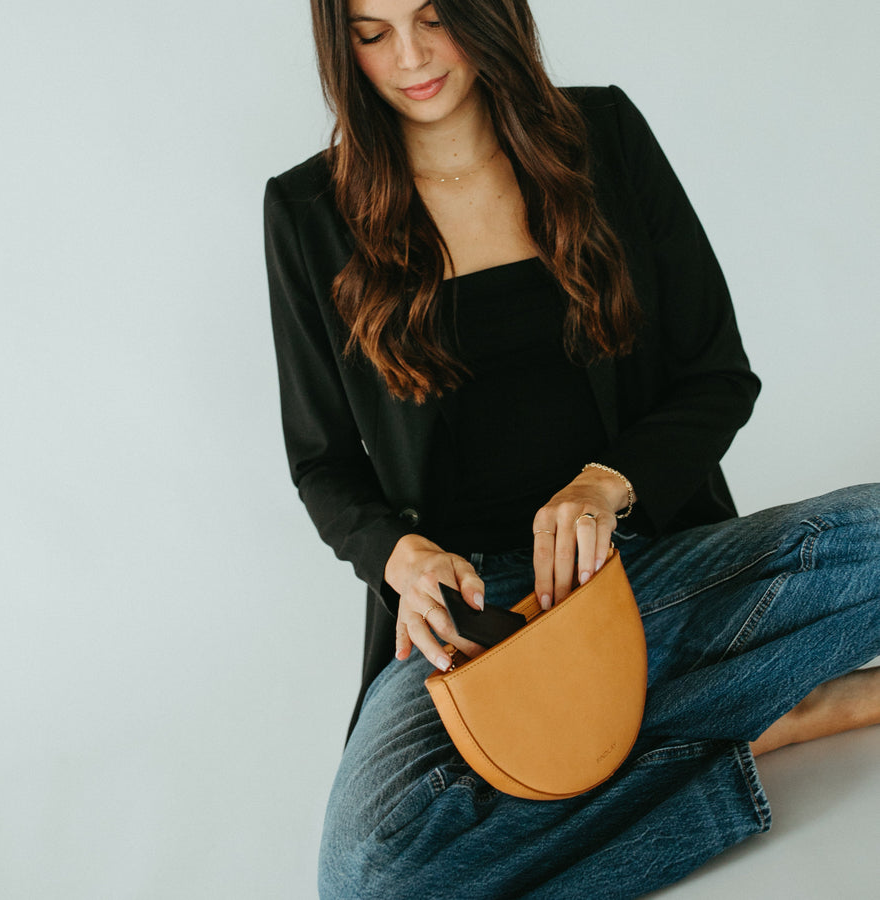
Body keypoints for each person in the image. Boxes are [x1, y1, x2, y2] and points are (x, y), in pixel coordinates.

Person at [264, 1, 880, 896]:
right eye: (372, 33)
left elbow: (719, 374)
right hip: (471, 632)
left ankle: (610, 735)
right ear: (342, 43)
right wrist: (397, 555)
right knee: (373, 879)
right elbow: (322, 460)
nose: (411, 56)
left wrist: (606, 485)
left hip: (650, 576)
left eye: (434, 16)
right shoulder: (306, 210)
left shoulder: (604, 135)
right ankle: (756, 720)